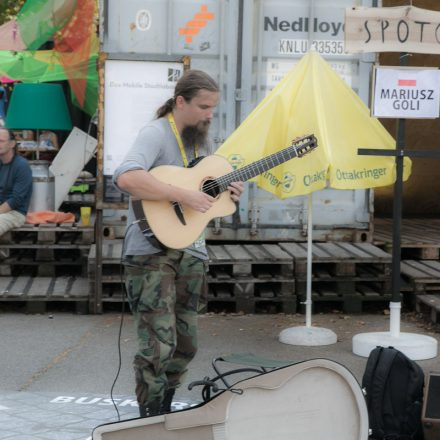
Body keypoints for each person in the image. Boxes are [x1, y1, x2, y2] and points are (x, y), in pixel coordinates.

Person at [114, 70, 244, 418]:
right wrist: (181, 193)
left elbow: (207, 199)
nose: (209, 114)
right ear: (180, 101)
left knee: (186, 343)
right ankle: (150, 415)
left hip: (192, 250)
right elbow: (127, 176)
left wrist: (229, 194)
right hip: (151, 252)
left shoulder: (201, 141)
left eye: (213, 108)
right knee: (158, 343)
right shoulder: (155, 133)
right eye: (203, 106)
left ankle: (166, 409)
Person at [0, 128, 33, 238]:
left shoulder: (22, 166)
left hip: (15, 213)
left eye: (1, 141)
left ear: (12, 144)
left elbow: (16, 200)